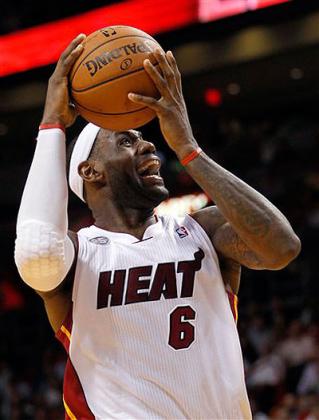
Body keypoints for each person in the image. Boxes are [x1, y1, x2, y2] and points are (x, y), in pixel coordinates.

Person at [14, 33, 301, 419]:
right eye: (127, 140)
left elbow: (282, 246)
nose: (150, 146)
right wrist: (52, 124)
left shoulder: (204, 231)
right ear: (90, 170)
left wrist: (190, 149)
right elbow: (36, 249)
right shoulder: (77, 256)